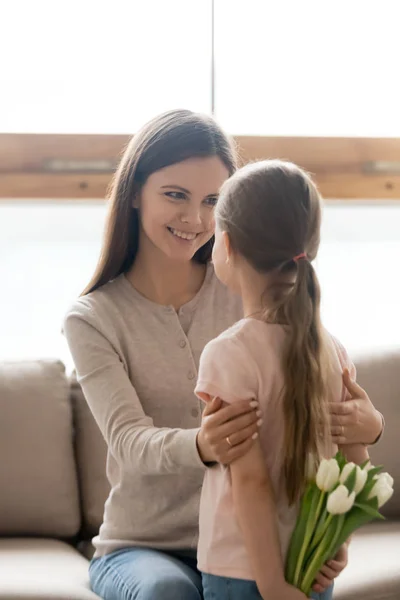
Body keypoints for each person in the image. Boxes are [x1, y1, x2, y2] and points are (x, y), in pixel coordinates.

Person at [63, 110, 384, 600]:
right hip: (143, 546)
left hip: (258, 542)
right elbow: (128, 441)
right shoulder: (93, 318)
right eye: (175, 195)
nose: (195, 220)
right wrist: (203, 445)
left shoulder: (250, 284)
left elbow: (316, 392)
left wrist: (367, 425)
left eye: (213, 200)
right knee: (168, 592)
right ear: (133, 192)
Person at [194, 159, 374, 600]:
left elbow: (250, 481)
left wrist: (272, 585)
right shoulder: (330, 350)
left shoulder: (227, 355)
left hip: (243, 571)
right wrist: (339, 544)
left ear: (228, 244)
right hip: (313, 563)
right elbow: (358, 463)